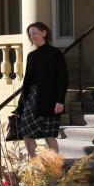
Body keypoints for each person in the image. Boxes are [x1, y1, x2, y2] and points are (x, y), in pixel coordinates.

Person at [15, 22, 68, 158]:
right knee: (27, 134)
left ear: (44, 33)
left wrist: (60, 101)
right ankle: (34, 165)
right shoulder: (31, 56)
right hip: (31, 99)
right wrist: (20, 107)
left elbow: (63, 79)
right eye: (30, 34)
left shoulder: (55, 53)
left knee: (48, 135)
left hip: (49, 99)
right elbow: (26, 83)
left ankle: (54, 168)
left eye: (35, 33)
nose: (32, 36)